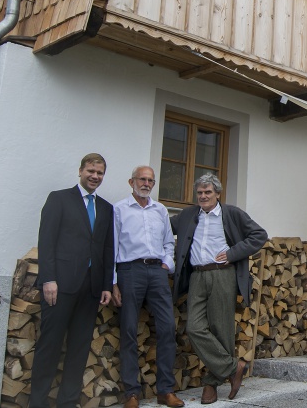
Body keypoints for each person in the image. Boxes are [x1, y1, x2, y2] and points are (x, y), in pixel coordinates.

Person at [171, 174, 268, 405]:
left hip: (223, 274)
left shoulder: (232, 213)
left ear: (217, 194)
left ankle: (211, 384)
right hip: (197, 276)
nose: (203, 197)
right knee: (194, 327)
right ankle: (234, 367)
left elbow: (259, 235)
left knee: (221, 329)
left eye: (207, 192)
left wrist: (233, 253)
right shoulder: (187, 215)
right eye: (200, 193)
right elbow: (162, 225)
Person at [30, 153, 114, 408]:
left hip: (90, 289)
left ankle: (67, 402)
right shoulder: (59, 199)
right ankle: (38, 402)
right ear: (80, 171)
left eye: (99, 173)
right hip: (60, 286)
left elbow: (107, 248)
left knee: (79, 349)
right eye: (91, 171)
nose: (95, 176)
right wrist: (49, 279)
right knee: (50, 346)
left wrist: (106, 285)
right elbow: (46, 241)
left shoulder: (106, 208)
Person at [112, 166, 184, 408]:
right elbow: (111, 246)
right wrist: (113, 281)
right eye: (142, 179)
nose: (146, 183)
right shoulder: (119, 209)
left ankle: (165, 390)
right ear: (131, 181)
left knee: (167, 328)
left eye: (150, 180)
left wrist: (168, 264)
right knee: (129, 330)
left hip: (157, 272)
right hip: (129, 271)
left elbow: (167, 242)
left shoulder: (160, 209)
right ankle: (132, 393)